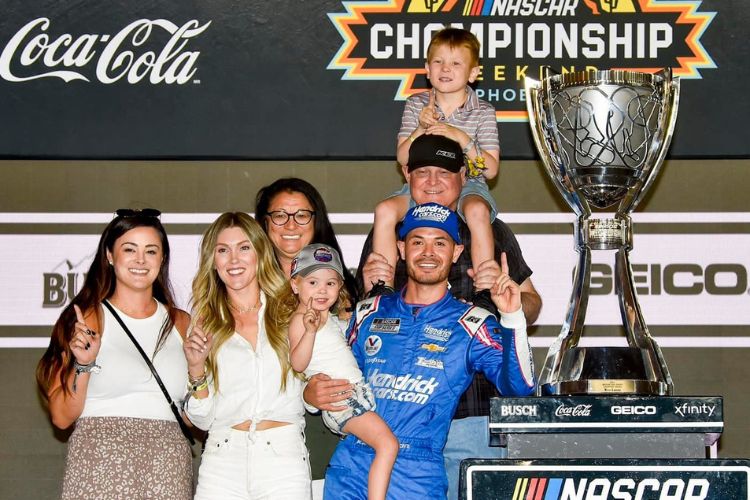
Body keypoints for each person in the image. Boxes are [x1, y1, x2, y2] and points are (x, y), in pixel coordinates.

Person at [308, 134, 542, 500]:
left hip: (468, 424)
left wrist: (510, 312)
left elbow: (522, 382)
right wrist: (311, 392)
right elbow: (339, 358)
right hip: (361, 452)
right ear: (401, 248)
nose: (428, 252)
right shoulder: (374, 299)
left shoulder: (490, 243)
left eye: (440, 243)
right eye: (417, 242)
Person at [36, 208, 193, 500]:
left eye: (151, 250)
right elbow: (60, 417)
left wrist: (199, 375)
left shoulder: (181, 323)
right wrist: (84, 364)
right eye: (129, 249)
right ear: (109, 255)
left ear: (163, 259)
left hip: (168, 465)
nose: (140, 260)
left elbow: (196, 420)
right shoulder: (88, 319)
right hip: (100, 461)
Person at [182, 212, 311, 499]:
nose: (234, 259)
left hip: (283, 460)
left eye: (243, 248)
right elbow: (202, 420)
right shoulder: (205, 321)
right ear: (213, 261)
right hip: (222, 461)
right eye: (223, 250)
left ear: (260, 253)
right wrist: (195, 369)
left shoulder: (292, 310)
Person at [372, 27, 500, 307]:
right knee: (384, 210)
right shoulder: (416, 104)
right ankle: (381, 290)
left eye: (456, 63)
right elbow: (404, 158)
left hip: (470, 184)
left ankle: (486, 291)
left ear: (473, 73)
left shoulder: (483, 111)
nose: (446, 69)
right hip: (417, 187)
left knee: (477, 211)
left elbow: (489, 169)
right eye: (439, 62)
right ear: (427, 69)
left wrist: (462, 138)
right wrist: (420, 127)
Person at [285, 243, 398, 499]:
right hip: (341, 400)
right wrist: (310, 332)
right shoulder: (300, 320)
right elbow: (298, 364)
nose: (322, 290)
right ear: (295, 285)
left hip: (355, 394)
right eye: (312, 282)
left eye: (330, 283)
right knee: (387, 444)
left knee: (378, 447)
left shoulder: (332, 318)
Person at [255, 177, 358, 308]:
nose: (291, 225)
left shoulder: (343, 294)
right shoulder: (247, 283)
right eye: (280, 215)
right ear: (265, 222)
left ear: (316, 221)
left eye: (302, 215)